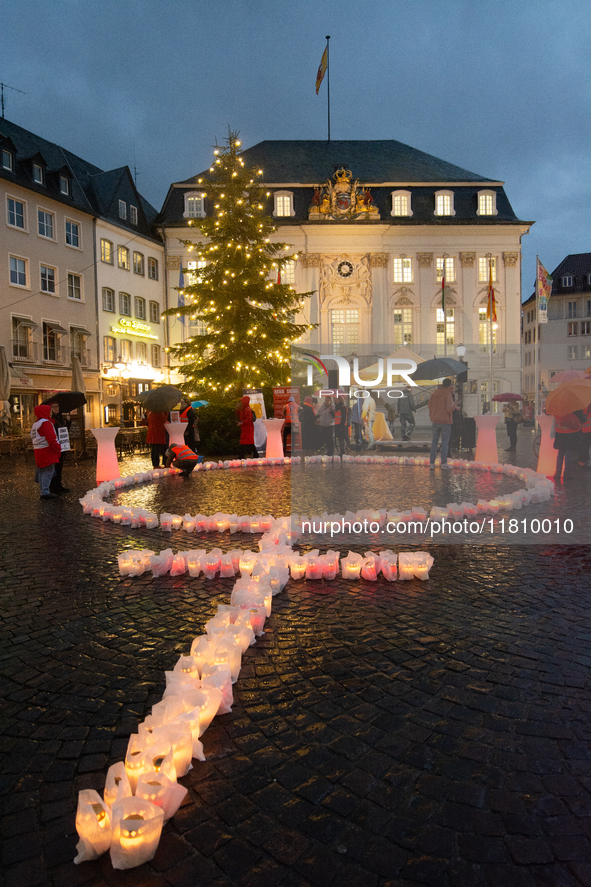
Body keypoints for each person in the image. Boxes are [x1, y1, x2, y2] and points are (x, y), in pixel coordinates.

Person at [30, 404, 62, 499]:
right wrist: (58, 448)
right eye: (49, 410)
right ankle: (45, 491)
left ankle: (43, 489)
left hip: (38, 450)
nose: (51, 412)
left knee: (43, 470)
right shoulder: (46, 423)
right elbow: (51, 438)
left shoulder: (36, 424)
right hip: (47, 450)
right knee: (48, 471)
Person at [428, 378, 458, 469]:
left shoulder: (435, 393)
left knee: (434, 442)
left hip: (435, 420)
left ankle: (431, 463)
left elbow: (429, 405)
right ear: (449, 385)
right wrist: (455, 404)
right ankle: (444, 463)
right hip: (445, 421)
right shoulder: (447, 394)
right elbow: (449, 409)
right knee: (445, 443)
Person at [48, 401, 71, 494]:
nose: (56, 408)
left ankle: (59, 485)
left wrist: (68, 421)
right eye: (54, 407)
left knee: (60, 466)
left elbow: (65, 431)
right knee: (55, 467)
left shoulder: (60, 418)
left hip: (62, 445)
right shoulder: (50, 419)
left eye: (57, 406)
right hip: (55, 445)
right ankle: (54, 487)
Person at [553, 411, 582, 481]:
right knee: (569, 453)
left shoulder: (558, 409)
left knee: (560, 453)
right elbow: (581, 419)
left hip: (560, 433)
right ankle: (567, 473)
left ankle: (558, 473)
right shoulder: (574, 409)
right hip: (570, 435)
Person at [578, 404, 591, 468]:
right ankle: (582, 461)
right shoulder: (587, 406)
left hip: (584, 429)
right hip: (587, 429)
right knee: (586, 446)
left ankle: (582, 461)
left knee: (585, 446)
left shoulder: (582, 406)